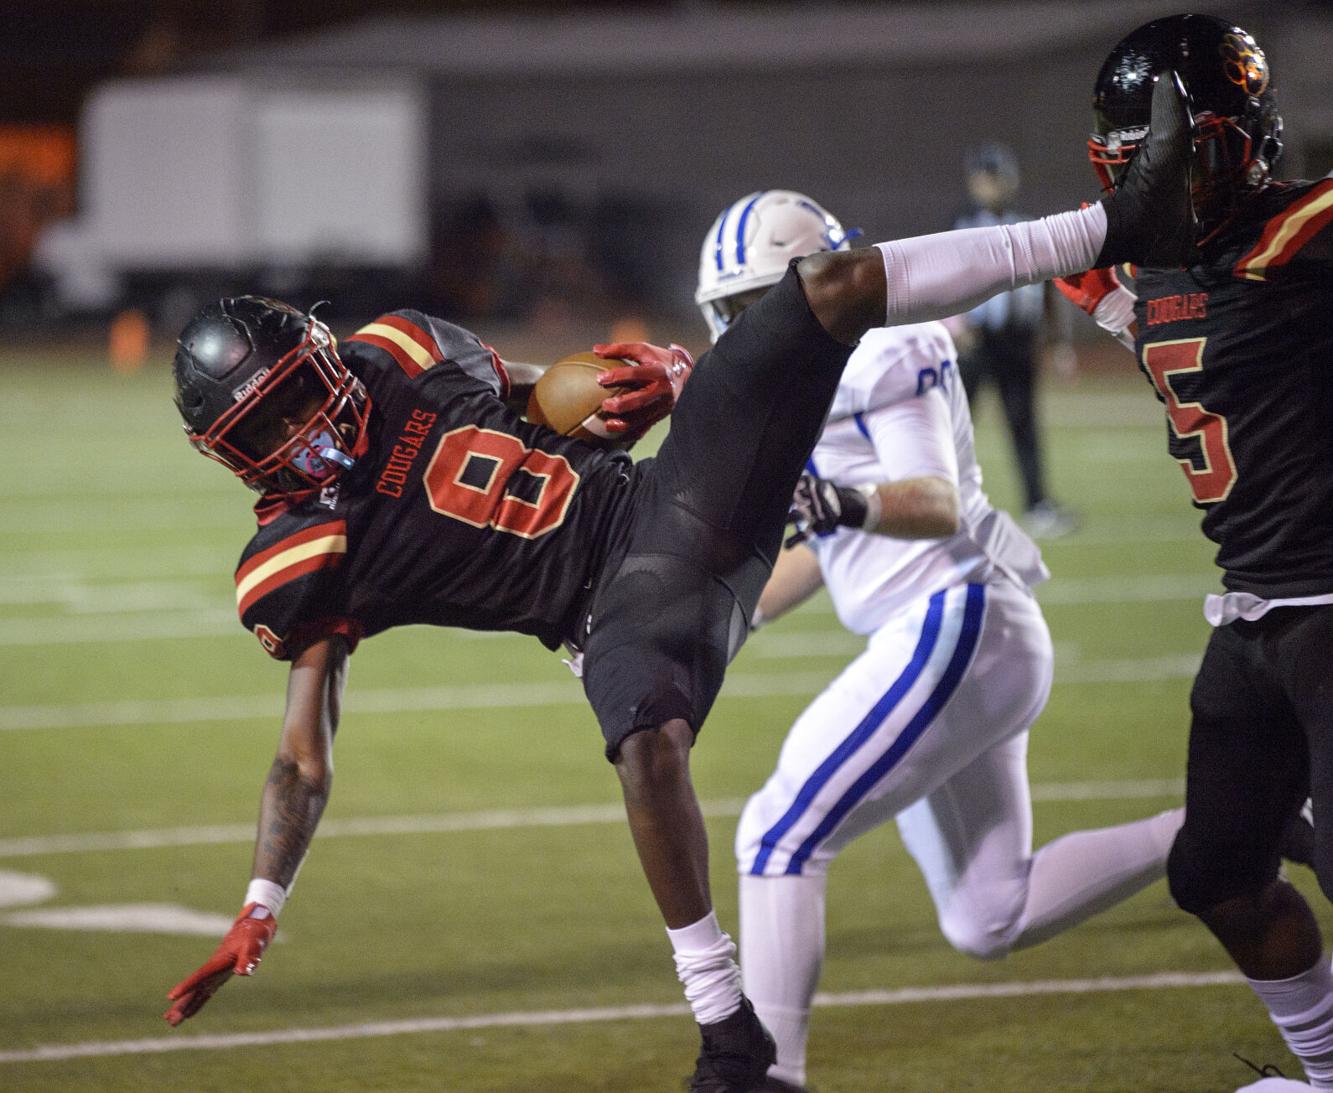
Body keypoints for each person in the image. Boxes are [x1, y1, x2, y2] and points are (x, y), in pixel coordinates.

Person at [161, 70, 1193, 1093]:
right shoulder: (293, 559)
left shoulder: (401, 348)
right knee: (645, 737)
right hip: (607, 612)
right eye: (263, 430)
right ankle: (726, 1030)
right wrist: (260, 896)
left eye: (295, 399)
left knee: (822, 293)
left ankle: (1104, 234)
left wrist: (631, 387)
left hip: (675, 503)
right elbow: (302, 756)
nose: (297, 436)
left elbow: (545, 397)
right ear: (230, 454)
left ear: (324, 357)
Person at [697, 190, 1185, 1093]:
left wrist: (836, 504)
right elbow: (828, 546)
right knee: (988, 913)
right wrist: (719, 622)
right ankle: (1231, 825)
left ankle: (769, 1080)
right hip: (953, 631)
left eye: (751, 304)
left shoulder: (880, 344)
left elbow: (933, 502)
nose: (742, 329)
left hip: (957, 618)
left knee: (776, 833)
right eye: (728, 311)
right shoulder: (818, 373)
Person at [1055, 15, 1333, 1093]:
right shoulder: (1140, 266)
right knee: (1214, 873)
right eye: (1140, 160)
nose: (1164, 176)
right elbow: (1188, 348)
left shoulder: (1300, 236)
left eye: (1183, 150)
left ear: (1245, 144)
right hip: (1257, 619)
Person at [950, 141, 1080, 538]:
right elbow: (946, 285)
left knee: (1024, 423)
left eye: (997, 177)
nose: (991, 186)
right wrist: (956, 330)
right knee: (956, 426)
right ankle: (946, 505)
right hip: (976, 341)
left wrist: (1058, 343)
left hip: (1017, 341)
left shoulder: (1029, 228)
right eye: (985, 178)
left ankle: (1037, 504)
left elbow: (1047, 292)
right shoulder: (960, 228)